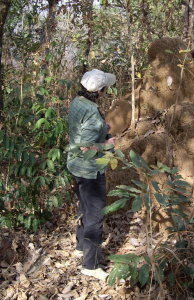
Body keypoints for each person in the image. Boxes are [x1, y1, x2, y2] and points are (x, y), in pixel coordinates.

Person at [67, 69, 116, 280]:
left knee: (84, 207)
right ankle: (90, 264)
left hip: (75, 167)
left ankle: (80, 246)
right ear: (101, 91)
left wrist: (102, 127)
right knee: (95, 216)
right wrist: (106, 144)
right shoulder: (93, 114)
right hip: (90, 170)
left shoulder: (78, 101)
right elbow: (85, 147)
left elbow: (81, 128)